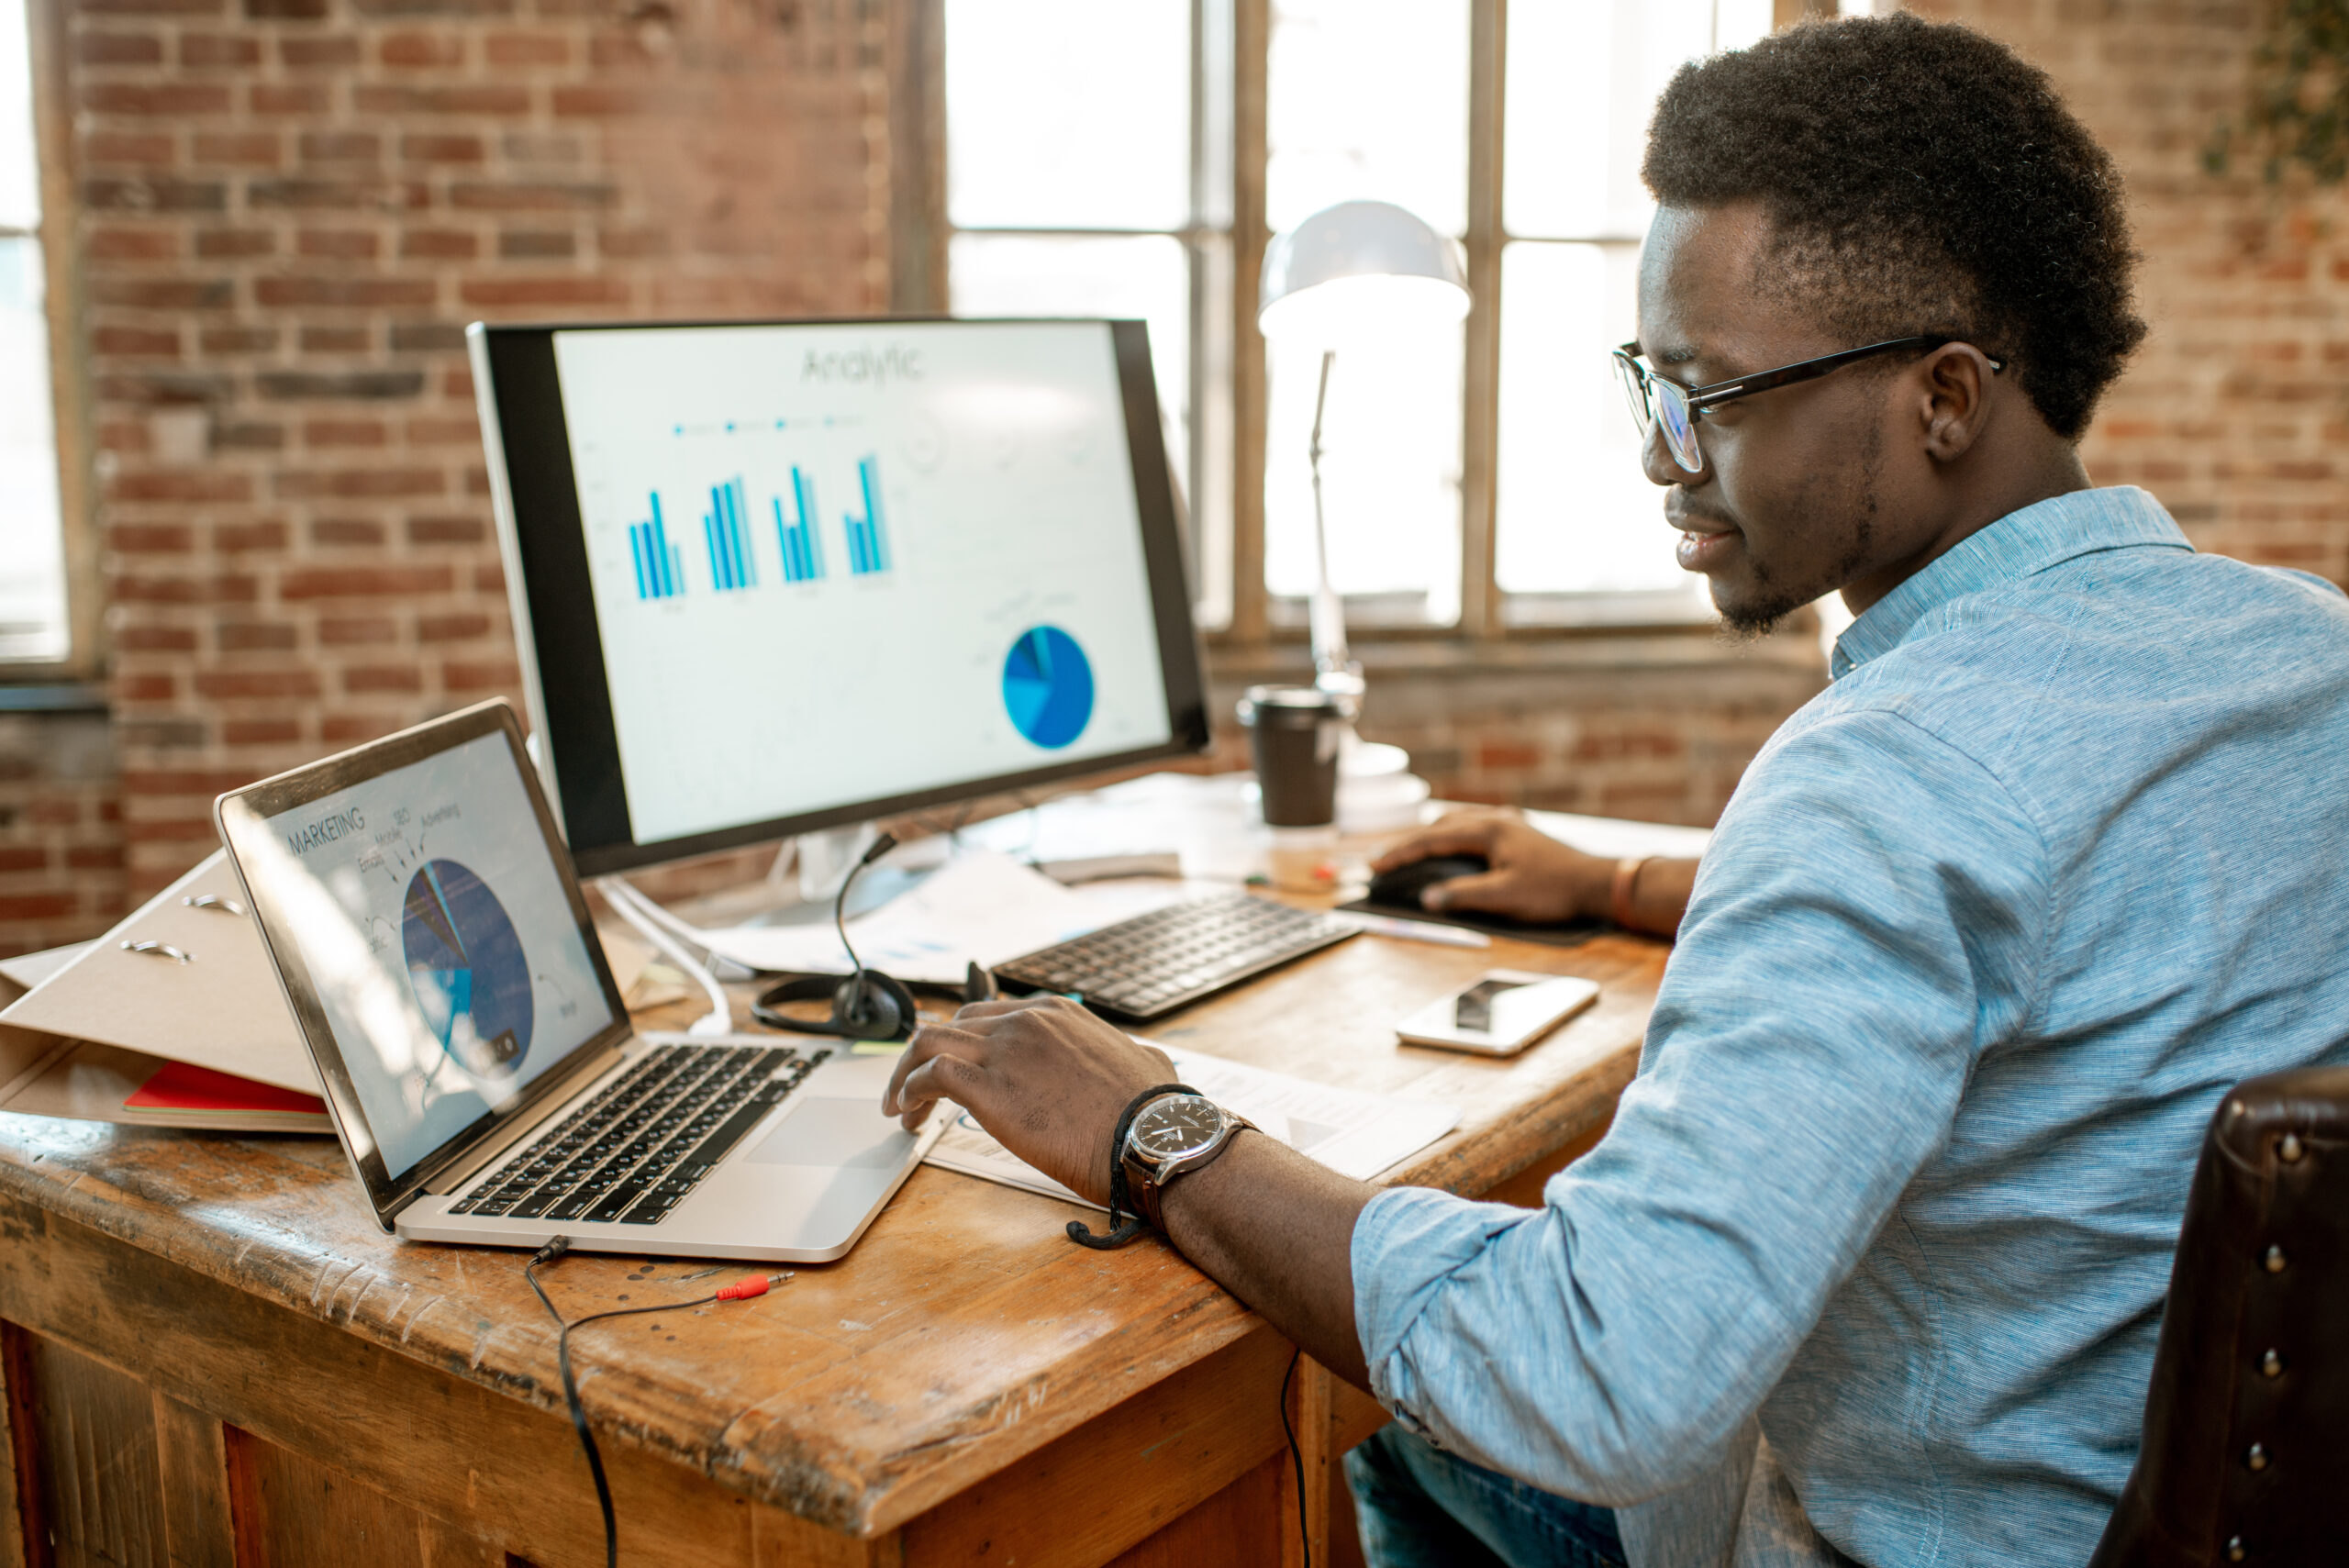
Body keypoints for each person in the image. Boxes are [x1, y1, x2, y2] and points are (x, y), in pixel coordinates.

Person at [884, 15, 2349, 1567]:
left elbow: (1596, 1375)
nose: (1661, 456)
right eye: (1646, 382)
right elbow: (2060, 923)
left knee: (1397, 1427)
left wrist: (1154, 1125)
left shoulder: (1888, 779)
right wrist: (1622, 883)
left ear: (1944, 396)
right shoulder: (2306, 651)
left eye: (1709, 396)